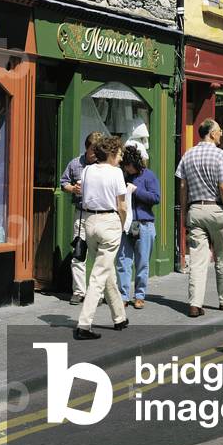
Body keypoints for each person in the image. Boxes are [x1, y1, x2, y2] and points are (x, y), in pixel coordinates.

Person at [176, 119, 223, 318]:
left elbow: (183, 187)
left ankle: (195, 304)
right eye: (219, 130)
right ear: (211, 133)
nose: (221, 134)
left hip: (195, 209)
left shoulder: (188, 154)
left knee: (197, 260)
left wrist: (184, 212)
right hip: (216, 209)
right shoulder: (220, 155)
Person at [74, 136, 129, 340]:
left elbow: (82, 194)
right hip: (109, 221)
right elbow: (122, 206)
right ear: (111, 154)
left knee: (106, 271)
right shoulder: (116, 173)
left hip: (90, 222)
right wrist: (121, 225)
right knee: (99, 276)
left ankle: (119, 317)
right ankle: (84, 324)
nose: (121, 159)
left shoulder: (87, 170)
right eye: (119, 154)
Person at [60, 132, 103, 304]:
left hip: (100, 214)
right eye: (94, 150)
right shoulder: (76, 164)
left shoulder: (104, 166)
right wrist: (73, 189)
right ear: (87, 148)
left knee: (99, 255)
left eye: (98, 150)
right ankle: (79, 291)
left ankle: (98, 293)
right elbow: (63, 183)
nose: (96, 154)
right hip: (81, 213)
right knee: (78, 253)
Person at [117, 145, 160, 309]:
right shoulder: (122, 176)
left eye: (128, 165)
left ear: (134, 163)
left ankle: (140, 295)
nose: (126, 168)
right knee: (123, 260)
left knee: (142, 262)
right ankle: (123, 296)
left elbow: (156, 198)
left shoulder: (149, 176)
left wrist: (136, 191)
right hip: (126, 224)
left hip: (143, 224)